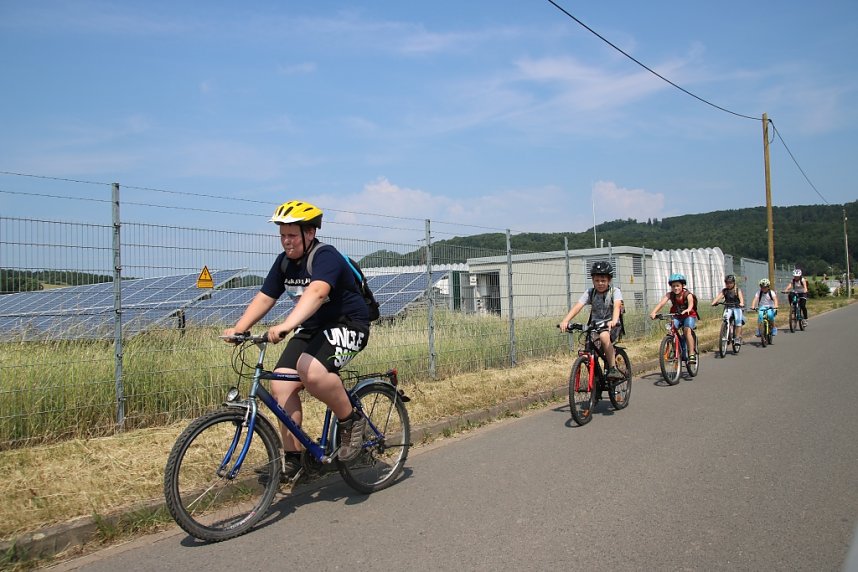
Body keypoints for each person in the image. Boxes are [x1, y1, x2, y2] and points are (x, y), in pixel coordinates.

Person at [223, 200, 371, 482]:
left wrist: (286, 326)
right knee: (280, 384)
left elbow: (316, 292)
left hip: (348, 324)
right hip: (313, 330)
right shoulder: (283, 264)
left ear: (310, 233)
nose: (286, 242)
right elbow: (266, 297)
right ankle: (296, 460)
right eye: (282, 236)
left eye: (292, 235)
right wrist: (240, 328)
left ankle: (352, 420)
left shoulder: (325, 256)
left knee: (311, 370)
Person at [560, 261, 625, 381]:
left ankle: (612, 368)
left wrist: (614, 320)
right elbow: (578, 306)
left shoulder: (615, 292)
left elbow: (617, 306)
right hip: (595, 326)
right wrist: (565, 321)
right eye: (597, 280)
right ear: (593, 280)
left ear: (609, 280)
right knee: (588, 350)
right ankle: (595, 381)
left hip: (612, 326)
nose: (600, 283)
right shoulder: (590, 292)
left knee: (605, 336)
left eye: (603, 280)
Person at [649, 273, 698, 364]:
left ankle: (691, 354)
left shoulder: (687, 294)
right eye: (673, 286)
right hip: (677, 315)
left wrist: (688, 309)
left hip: (689, 315)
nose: (675, 288)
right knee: (671, 331)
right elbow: (661, 303)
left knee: (687, 331)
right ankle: (675, 350)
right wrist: (654, 312)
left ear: (682, 285)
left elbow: (691, 304)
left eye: (678, 286)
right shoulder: (670, 295)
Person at [711, 274, 745, 345]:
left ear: (734, 283)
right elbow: (719, 297)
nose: (728, 284)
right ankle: (726, 333)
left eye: (730, 283)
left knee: (738, 321)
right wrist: (714, 302)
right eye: (727, 283)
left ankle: (737, 338)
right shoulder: (725, 291)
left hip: (737, 307)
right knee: (725, 319)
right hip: (728, 307)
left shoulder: (737, 290)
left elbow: (741, 298)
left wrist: (741, 303)